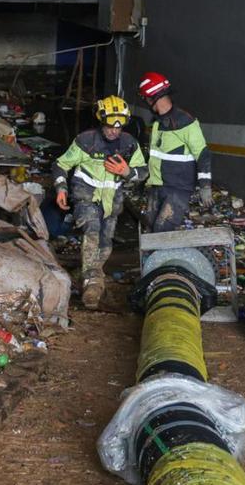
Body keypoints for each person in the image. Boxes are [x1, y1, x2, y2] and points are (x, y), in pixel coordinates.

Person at [53, 95, 148, 308]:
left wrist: (127, 171)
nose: (114, 131)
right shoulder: (86, 141)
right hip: (86, 199)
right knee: (92, 231)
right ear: (101, 121)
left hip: (111, 205)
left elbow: (143, 172)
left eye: (119, 126)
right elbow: (60, 165)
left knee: (105, 246)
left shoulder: (129, 144)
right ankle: (91, 286)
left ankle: (88, 274)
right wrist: (61, 188)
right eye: (110, 126)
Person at [137, 71, 213, 232]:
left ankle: (167, 257)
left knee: (162, 230)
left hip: (178, 188)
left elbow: (203, 154)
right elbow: (155, 157)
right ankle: (155, 257)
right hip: (157, 186)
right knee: (150, 228)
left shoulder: (186, 122)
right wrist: (144, 181)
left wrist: (205, 186)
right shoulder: (157, 124)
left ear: (151, 98)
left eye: (145, 99)